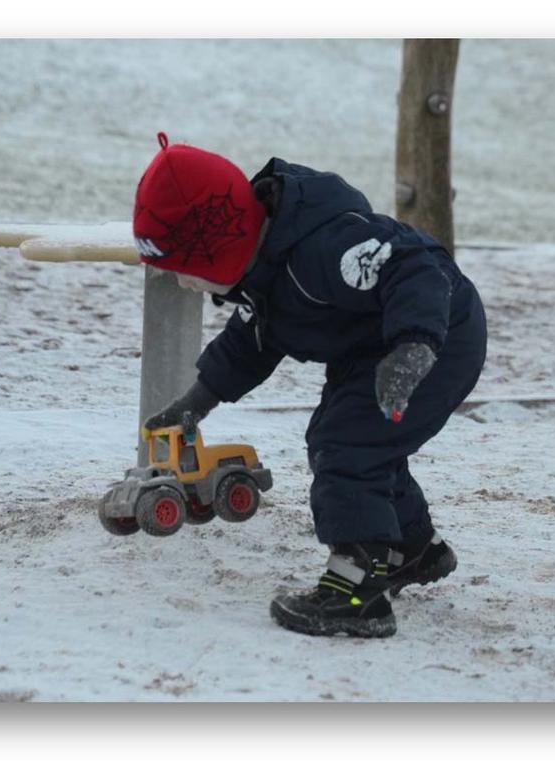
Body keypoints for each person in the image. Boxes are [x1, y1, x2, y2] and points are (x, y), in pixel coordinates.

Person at [134, 133, 487, 638]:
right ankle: (412, 551)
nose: (184, 285)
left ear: (215, 247)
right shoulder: (267, 270)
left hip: (437, 340)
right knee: (358, 445)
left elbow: (416, 269)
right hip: (372, 350)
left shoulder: (326, 249)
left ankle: (357, 592)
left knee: (345, 446)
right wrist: (198, 400)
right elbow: (250, 342)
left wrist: (413, 348)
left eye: (183, 271)